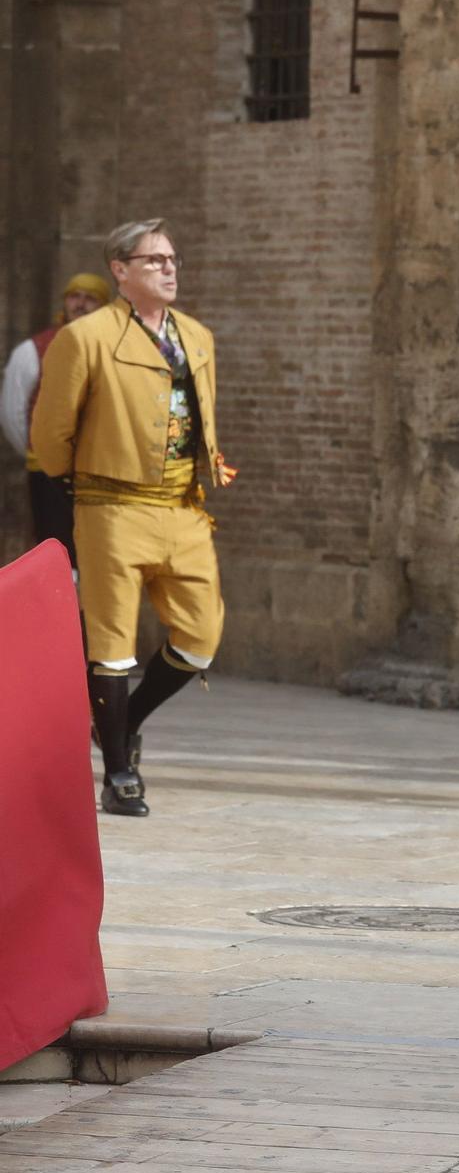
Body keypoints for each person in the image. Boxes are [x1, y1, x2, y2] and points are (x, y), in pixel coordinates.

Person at [32, 221, 235, 818]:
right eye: (154, 261)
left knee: (202, 637)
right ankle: (119, 772)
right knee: (112, 645)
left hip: (183, 509)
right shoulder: (86, 338)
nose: (170, 270)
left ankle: (126, 722)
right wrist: (91, 480)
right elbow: (51, 436)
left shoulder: (197, 337)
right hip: (111, 507)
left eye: (173, 259)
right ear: (120, 270)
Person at [1, 272, 112, 568]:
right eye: (75, 297)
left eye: (91, 299)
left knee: (98, 554)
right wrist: (42, 449)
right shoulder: (34, 350)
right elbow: (13, 413)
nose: (81, 304)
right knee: (57, 550)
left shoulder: (115, 352)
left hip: (101, 473)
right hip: (49, 471)